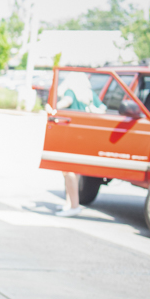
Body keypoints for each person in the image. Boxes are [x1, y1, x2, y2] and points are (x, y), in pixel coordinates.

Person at [52, 72, 103, 219]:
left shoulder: (70, 91)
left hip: (71, 134)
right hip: (85, 135)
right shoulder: (89, 94)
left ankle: (73, 205)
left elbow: (66, 101)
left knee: (68, 170)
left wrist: (53, 107)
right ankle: (70, 203)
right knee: (74, 171)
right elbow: (102, 109)